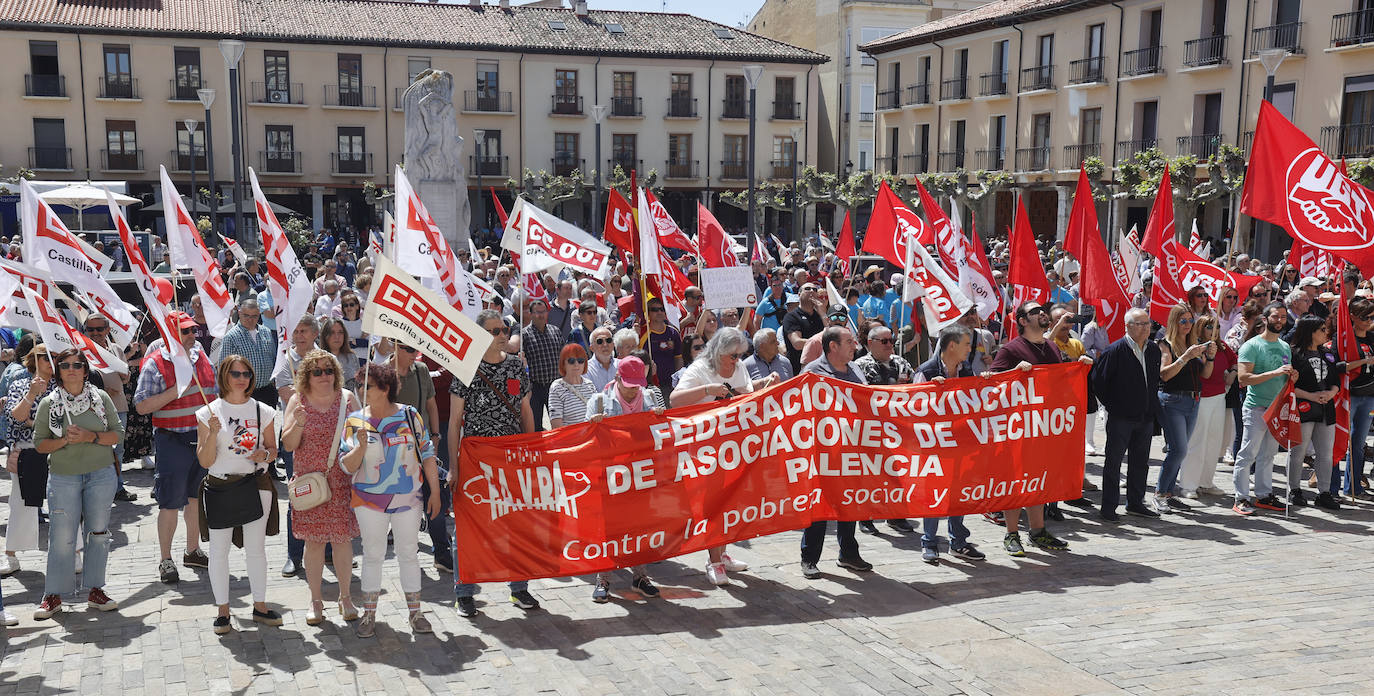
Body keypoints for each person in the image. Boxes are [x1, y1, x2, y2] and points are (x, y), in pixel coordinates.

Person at [447, 310, 539, 616]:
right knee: (472, 526)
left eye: (505, 329)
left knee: (516, 523)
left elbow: (526, 411)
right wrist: (455, 467)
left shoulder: (515, 366)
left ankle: (519, 588)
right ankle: (465, 593)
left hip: (511, 457)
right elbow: (454, 421)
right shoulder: (466, 368)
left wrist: (530, 450)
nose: (503, 334)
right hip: (477, 460)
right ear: (482, 335)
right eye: (496, 330)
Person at [340, 362, 441, 637]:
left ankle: (415, 613)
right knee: (373, 555)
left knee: (408, 553)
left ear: (385, 389)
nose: (361, 390)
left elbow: (427, 454)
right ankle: (368, 614)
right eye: (359, 385)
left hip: (408, 499)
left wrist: (436, 492)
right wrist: (360, 446)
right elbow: (346, 466)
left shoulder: (410, 416)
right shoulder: (354, 421)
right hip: (368, 501)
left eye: (367, 386)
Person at [672, 328, 772, 584]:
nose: (737, 360)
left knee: (731, 501)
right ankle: (714, 561)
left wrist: (764, 386)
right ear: (718, 351)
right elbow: (675, 400)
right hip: (705, 446)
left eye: (740, 355)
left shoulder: (739, 368)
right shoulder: (699, 369)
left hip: (733, 446)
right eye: (733, 355)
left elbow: (743, 395)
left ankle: (723, 552)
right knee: (713, 503)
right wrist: (708, 388)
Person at [31, 349, 124, 619]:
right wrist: (63, 441)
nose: (71, 369)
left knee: (98, 534)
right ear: (58, 370)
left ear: (85, 370)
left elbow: (117, 435)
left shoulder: (101, 398)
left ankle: (96, 590)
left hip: (100, 475)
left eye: (77, 364)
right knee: (61, 537)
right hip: (64, 477)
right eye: (65, 365)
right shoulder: (50, 403)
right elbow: (39, 444)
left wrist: (90, 436)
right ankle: (53, 594)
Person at [195, 355, 282, 634]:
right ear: (224, 376)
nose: (242, 378)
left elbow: (273, 450)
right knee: (218, 551)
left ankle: (260, 605)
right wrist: (211, 435)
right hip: (220, 485)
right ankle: (223, 610)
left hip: (255, 485)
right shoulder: (208, 413)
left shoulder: (264, 411)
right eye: (235, 373)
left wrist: (264, 454)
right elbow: (205, 461)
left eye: (246, 373)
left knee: (256, 550)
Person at [135, 311, 218, 584]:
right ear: (171, 334)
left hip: (201, 437)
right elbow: (142, 405)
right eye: (185, 331)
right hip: (171, 439)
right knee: (170, 501)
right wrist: (177, 389)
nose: (193, 335)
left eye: (193, 330)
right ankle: (166, 559)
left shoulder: (201, 355)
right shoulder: (155, 363)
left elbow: (213, 390)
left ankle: (193, 550)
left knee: (197, 498)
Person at [280, 349, 360, 625]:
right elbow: (288, 445)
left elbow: (361, 436)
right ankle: (316, 601)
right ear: (306, 375)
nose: (324, 375)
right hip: (310, 483)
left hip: (341, 481)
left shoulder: (347, 399)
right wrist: (299, 423)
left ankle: (346, 597)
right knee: (313, 544)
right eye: (317, 371)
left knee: (342, 541)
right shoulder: (297, 401)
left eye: (329, 370)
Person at [987, 302, 1073, 555]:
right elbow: (992, 385)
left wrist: (1079, 368)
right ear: (1023, 321)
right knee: (1015, 483)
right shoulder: (1011, 349)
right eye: (1036, 312)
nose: (1042, 314)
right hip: (1018, 429)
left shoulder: (1050, 346)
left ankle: (1038, 531)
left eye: (1042, 311)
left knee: (1039, 481)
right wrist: (1014, 372)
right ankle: (1011, 534)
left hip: (1044, 427)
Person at [584, 357, 664, 601]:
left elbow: (662, 437)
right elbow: (583, 441)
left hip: (641, 475)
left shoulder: (650, 398)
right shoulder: (599, 402)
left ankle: (640, 576)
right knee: (608, 529)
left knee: (640, 526)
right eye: (629, 384)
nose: (632, 389)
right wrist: (593, 426)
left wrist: (659, 420)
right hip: (610, 476)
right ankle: (603, 579)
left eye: (636, 384)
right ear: (617, 378)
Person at [798, 326, 872, 578]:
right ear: (833, 347)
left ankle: (848, 553)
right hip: (822, 451)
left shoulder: (855, 370)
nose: (855, 346)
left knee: (849, 502)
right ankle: (809, 558)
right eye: (849, 342)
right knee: (819, 505)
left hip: (850, 448)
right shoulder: (812, 373)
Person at [912, 325, 986, 563]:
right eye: (966, 344)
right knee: (934, 493)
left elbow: (977, 403)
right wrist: (930, 393)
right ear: (951, 345)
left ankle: (959, 542)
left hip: (961, 445)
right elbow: (912, 409)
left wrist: (984, 385)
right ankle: (930, 542)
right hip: (933, 446)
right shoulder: (926, 372)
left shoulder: (967, 372)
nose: (970, 348)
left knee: (958, 494)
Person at [1091, 309, 1163, 520]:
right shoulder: (1114, 351)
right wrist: (1116, 405)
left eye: (1148, 323)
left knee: (1140, 462)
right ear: (1128, 326)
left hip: (1145, 416)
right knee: (1114, 462)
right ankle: (1109, 507)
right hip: (1121, 417)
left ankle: (1135, 502)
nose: (1146, 327)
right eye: (1140, 324)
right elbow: (1099, 383)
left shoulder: (1153, 349)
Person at [1286, 316, 1361, 510]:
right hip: (1304, 407)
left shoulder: (1327, 354)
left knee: (1325, 453)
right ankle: (1294, 490)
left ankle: (1324, 492)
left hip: (1326, 407)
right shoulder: (1295, 354)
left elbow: (1336, 380)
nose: (1325, 332)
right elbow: (1288, 385)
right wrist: (1311, 396)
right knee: (1298, 451)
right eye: (1321, 329)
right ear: (1310, 331)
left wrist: (1332, 392)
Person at [1232, 302, 1298, 515]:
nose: (1279, 321)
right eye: (1275, 317)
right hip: (1256, 407)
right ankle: (1240, 497)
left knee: (1268, 454)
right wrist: (1276, 372)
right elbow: (1243, 378)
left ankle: (1264, 494)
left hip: (1277, 409)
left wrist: (1291, 376)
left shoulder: (1285, 346)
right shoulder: (1251, 345)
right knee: (1247, 454)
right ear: (1265, 319)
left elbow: (1284, 376)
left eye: (1282, 317)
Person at [854, 325, 916, 535]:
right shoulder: (859, 366)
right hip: (870, 428)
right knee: (869, 475)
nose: (890, 345)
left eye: (892, 340)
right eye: (885, 341)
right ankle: (866, 517)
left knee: (897, 472)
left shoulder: (901, 363)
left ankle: (896, 514)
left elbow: (917, 387)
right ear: (870, 344)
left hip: (897, 429)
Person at [273, 314, 321, 576]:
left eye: (304, 331)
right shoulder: (285, 361)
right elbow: (286, 393)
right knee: (298, 494)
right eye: (296, 331)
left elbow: (333, 393)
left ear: (315, 333)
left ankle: (327, 551)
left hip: (325, 436)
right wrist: (318, 391)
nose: (299, 335)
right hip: (296, 435)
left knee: (328, 491)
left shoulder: (325, 359)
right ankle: (294, 555)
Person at [3, 343, 54, 578]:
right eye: (45, 356)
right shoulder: (20, 385)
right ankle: (11, 556)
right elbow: (16, 417)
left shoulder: (64, 386)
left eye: (55, 356)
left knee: (65, 502)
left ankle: (73, 551)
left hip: (59, 451)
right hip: (26, 451)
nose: (51, 360)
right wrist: (32, 394)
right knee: (20, 504)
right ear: (34, 359)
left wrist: (34, 424)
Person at [1154, 304, 1210, 511]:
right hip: (1172, 400)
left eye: (1190, 320)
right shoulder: (1165, 344)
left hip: (1193, 400)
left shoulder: (1193, 344)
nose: (1187, 325)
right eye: (1183, 321)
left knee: (1180, 450)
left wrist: (1209, 357)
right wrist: (1186, 356)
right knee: (1178, 449)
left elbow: (1206, 374)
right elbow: (1164, 374)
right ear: (1174, 322)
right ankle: (1160, 493)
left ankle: (1168, 493)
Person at [1179, 315, 1236, 497]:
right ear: (1201, 328)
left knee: (1214, 441)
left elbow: (1235, 361)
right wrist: (1208, 356)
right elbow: (1204, 374)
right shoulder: (1197, 348)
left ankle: (1206, 482)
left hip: (1219, 397)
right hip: (1201, 398)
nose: (1215, 330)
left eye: (1218, 326)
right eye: (1210, 326)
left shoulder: (1222, 346)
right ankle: (1188, 485)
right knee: (1197, 441)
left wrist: (1232, 374)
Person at [82, 314, 135, 502]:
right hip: (91, 410)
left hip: (118, 406)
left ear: (107, 330)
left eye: (99, 329)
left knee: (117, 450)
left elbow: (126, 377)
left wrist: (123, 372)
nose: (95, 333)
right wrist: (102, 390)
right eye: (91, 329)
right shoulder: (81, 351)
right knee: (95, 449)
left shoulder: (116, 349)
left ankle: (117, 487)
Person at [219, 299, 278, 406]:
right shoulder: (231, 337)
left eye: (254, 316)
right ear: (240, 313)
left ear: (259, 315)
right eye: (246, 315)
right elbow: (224, 368)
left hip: (267, 391)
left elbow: (273, 358)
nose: (250, 319)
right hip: (243, 393)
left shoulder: (266, 332)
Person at [1345, 299, 1374, 498]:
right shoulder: (1345, 338)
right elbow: (1339, 365)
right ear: (1353, 317)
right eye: (1366, 317)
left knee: (1359, 443)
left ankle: (1354, 486)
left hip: (1369, 398)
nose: (1369, 321)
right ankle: (1329, 487)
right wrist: (1364, 360)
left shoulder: (1372, 338)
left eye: (1372, 317)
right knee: (1340, 440)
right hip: (1350, 396)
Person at [520, 297, 562, 430]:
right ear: (530, 314)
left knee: (559, 424)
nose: (541, 315)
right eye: (537, 312)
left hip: (554, 386)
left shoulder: (555, 331)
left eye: (543, 311)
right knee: (535, 424)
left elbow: (563, 356)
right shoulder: (524, 335)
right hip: (535, 388)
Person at [642, 298, 683, 396]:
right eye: (655, 310)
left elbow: (678, 358)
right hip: (650, 386)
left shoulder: (673, 332)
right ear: (648, 312)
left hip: (671, 385)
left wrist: (678, 381)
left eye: (662, 309)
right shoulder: (642, 333)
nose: (659, 312)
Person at [549, 344, 596, 428]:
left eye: (581, 360)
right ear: (563, 364)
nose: (576, 364)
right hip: (571, 439)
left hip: (591, 438)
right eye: (571, 361)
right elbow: (556, 424)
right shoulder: (557, 387)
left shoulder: (590, 385)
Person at [781, 283, 825, 375]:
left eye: (815, 290)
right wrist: (823, 342)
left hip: (821, 369)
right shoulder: (791, 317)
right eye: (807, 289)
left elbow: (831, 334)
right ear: (799, 294)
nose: (812, 291)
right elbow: (797, 343)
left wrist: (822, 312)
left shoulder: (820, 316)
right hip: (798, 369)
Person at [318, 318, 361, 391]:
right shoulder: (318, 359)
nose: (337, 336)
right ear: (325, 336)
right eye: (332, 333)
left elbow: (359, 384)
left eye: (340, 332)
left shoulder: (352, 357)